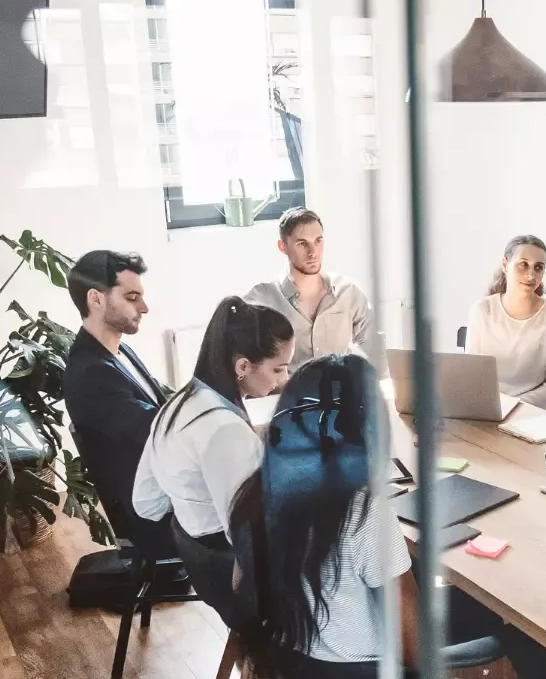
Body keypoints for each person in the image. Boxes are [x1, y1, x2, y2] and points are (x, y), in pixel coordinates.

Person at [224, 355, 546, 679]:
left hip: (305, 676)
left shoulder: (254, 497)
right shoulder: (365, 514)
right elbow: (418, 654)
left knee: (474, 606)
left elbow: (242, 589)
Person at [132, 296, 295, 548]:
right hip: (229, 560)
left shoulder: (177, 404)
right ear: (243, 366)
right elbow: (249, 532)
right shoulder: (226, 430)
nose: (284, 379)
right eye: (278, 369)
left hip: (195, 547)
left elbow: (147, 503)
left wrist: (192, 503)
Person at [61, 250, 172, 554]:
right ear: (96, 299)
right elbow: (155, 430)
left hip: (164, 488)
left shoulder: (117, 354)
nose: (144, 307)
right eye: (132, 297)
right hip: (155, 515)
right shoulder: (92, 373)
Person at [244, 207, 381, 372]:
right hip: (287, 395)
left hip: (340, 394)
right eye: (302, 244)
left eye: (318, 241)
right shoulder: (262, 300)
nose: (312, 252)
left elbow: (374, 352)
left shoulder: (348, 292)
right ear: (283, 247)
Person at [464, 234, 546, 410]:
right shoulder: (482, 310)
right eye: (523, 264)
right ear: (505, 265)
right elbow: (471, 372)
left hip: (528, 414)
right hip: (483, 411)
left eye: (538, 268)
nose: (531, 275)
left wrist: (515, 405)